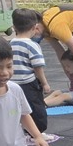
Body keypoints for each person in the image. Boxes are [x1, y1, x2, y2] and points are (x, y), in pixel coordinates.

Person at [10, 8, 50, 136]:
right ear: (35, 27)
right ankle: (37, 133)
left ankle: (22, 131)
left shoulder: (10, 44)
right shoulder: (32, 45)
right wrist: (44, 83)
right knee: (36, 109)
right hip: (28, 83)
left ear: (14, 26)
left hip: (12, 83)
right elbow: (37, 66)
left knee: (16, 108)